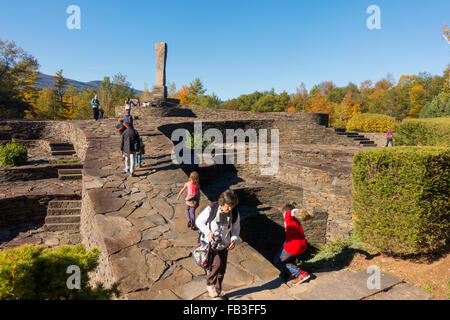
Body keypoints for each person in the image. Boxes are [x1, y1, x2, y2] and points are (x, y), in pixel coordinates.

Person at [196, 189, 240, 299]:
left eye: (232, 206)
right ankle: (210, 285)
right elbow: (199, 221)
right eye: (227, 206)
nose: (230, 209)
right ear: (222, 202)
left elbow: (236, 228)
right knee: (217, 264)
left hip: (224, 245)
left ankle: (218, 289)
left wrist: (234, 239)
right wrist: (208, 232)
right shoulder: (212, 209)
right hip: (210, 244)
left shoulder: (234, 213)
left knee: (222, 270)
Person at [274, 203, 312, 285]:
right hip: (302, 244)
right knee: (288, 260)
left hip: (293, 245)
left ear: (284, 212)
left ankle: (301, 274)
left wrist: (296, 211)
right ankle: (285, 275)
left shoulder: (288, 217)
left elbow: (291, 212)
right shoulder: (296, 220)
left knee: (278, 261)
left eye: (283, 214)